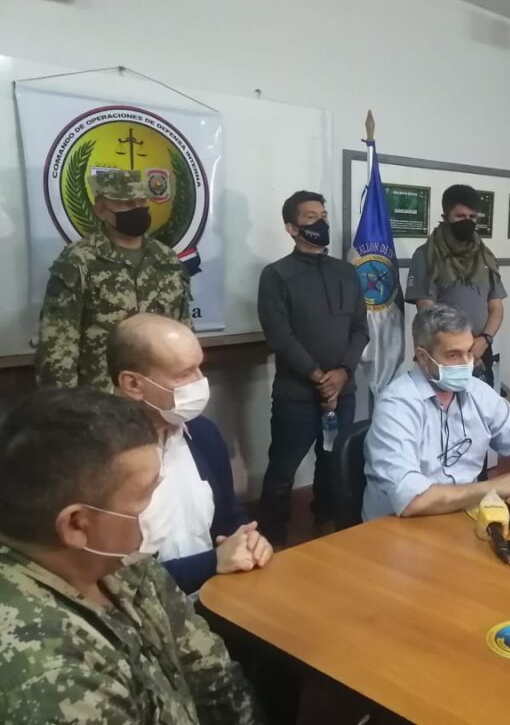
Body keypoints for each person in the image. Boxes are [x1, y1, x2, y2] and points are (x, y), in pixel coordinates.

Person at [0, 388, 260, 723]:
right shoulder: (47, 674)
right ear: (77, 525)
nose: (159, 507)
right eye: (146, 496)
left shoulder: (125, 565)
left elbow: (215, 679)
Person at [109, 313, 272, 595]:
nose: (200, 381)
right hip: (142, 613)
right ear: (133, 384)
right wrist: (212, 562)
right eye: (184, 374)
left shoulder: (203, 433)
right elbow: (112, 581)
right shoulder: (97, 456)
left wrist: (250, 542)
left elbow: (230, 518)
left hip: (217, 596)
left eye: (200, 367)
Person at [363, 303, 510, 520]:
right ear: (423, 357)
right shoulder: (397, 405)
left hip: (461, 515)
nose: (467, 363)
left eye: (469, 351)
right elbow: (412, 500)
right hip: (398, 526)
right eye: (453, 355)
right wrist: (495, 487)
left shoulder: (478, 392)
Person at [257, 190, 369, 545]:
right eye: (310, 217)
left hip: (343, 391)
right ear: (291, 228)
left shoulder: (346, 272)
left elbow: (360, 329)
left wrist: (342, 374)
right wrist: (319, 377)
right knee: (282, 470)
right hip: (297, 395)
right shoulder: (276, 275)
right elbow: (280, 336)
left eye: (323, 215)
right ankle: (271, 538)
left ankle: (327, 524)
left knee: (334, 462)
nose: (321, 222)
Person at [35, 167, 191, 391]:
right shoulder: (79, 260)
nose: (137, 209)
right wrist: (64, 405)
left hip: (158, 393)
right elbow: (58, 343)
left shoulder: (166, 259)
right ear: (101, 210)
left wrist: (185, 387)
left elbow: (183, 330)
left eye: (141, 202)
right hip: (101, 397)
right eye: (126, 204)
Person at [405, 185, 506, 386]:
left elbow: (496, 307)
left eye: (472, 217)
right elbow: (427, 311)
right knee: (445, 403)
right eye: (460, 216)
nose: (467, 221)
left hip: (482, 350)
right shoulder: (426, 255)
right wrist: (463, 349)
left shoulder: (485, 256)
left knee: (481, 404)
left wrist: (483, 341)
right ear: (446, 216)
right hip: (445, 353)